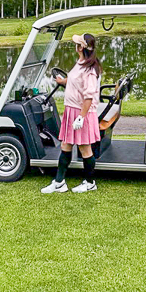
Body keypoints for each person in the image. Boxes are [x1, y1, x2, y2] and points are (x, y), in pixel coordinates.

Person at [41, 33, 102, 194]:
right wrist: (63, 81)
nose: (75, 45)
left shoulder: (90, 70)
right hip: (71, 111)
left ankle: (90, 183)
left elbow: (89, 97)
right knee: (65, 146)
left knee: (85, 149)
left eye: (77, 43)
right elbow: (75, 80)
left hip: (82, 113)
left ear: (81, 47)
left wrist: (81, 118)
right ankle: (59, 182)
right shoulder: (81, 63)